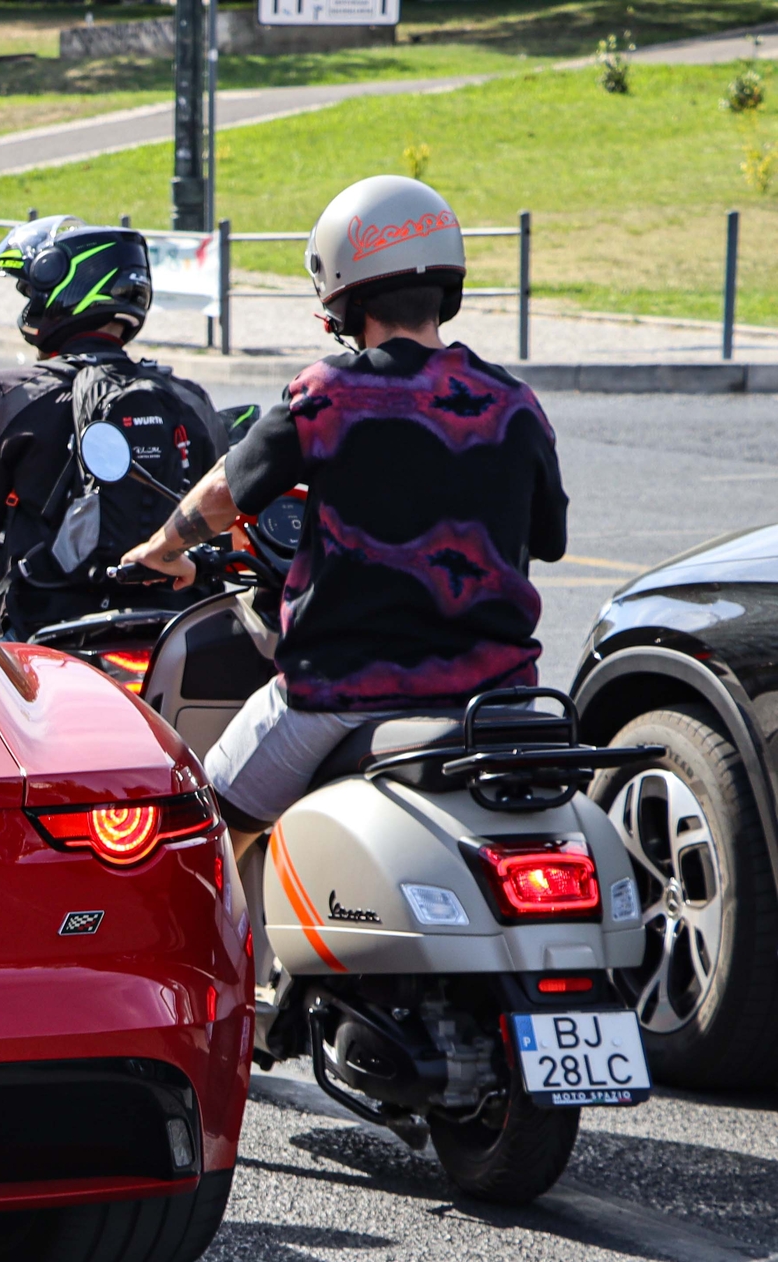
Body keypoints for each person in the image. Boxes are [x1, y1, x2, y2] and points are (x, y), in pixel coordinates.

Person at [113, 174, 568, 834]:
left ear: (344, 292)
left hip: (345, 690)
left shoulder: (331, 394)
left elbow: (227, 490)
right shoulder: (513, 402)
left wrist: (162, 550)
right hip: (501, 694)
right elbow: (550, 538)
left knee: (204, 826)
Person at [0, 216, 224, 639]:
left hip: (46, 626)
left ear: (60, 287)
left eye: (30, 289)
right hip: (171, 627)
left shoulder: (9, 394)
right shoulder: (189, 399)